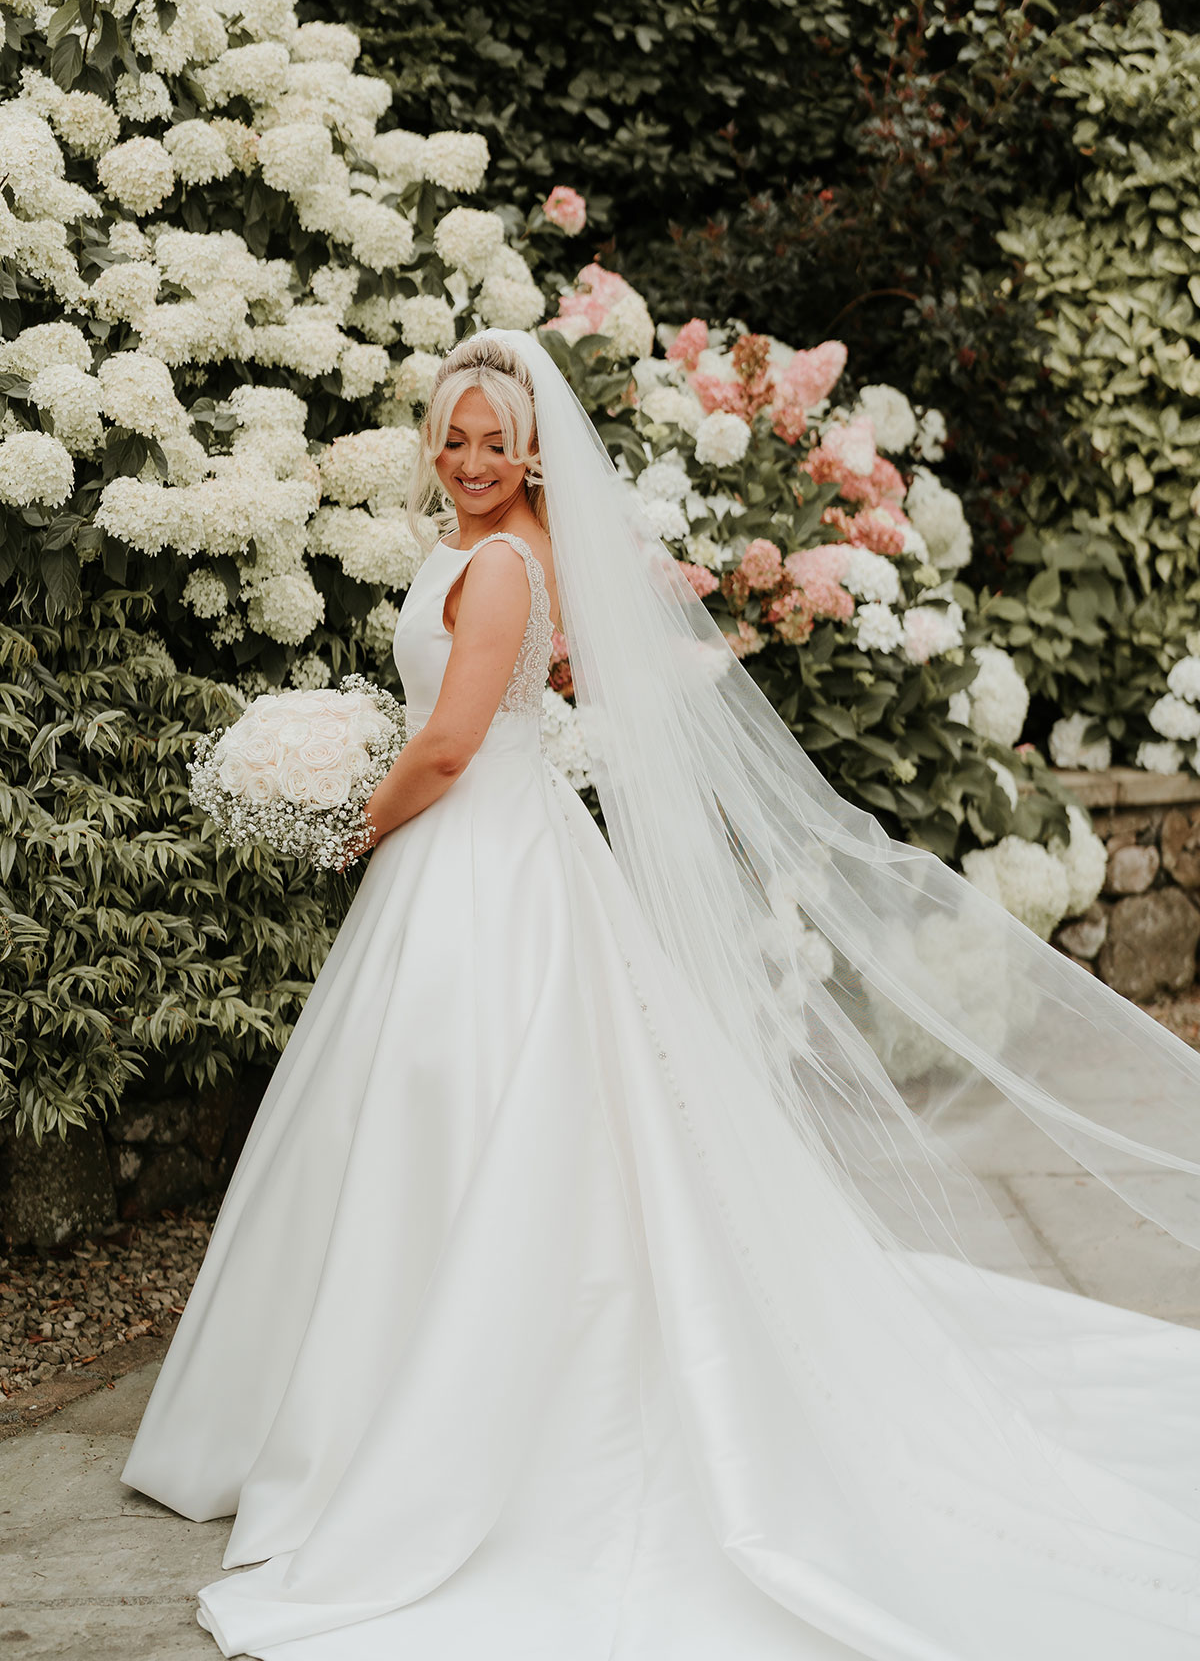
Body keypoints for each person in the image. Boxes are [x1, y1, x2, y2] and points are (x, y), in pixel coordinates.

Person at [122, 329, 1200, 1660]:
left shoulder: (509, 564)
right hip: (462, 856)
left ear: (530, 454)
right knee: (411, 1106)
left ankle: (457, 1404)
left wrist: (356, 816)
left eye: (494, 442)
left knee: (481, 1098)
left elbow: (454, 741)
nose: (468, 462)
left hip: (485, 856)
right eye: (451, 438)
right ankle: (358, 1385)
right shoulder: (481, 552)